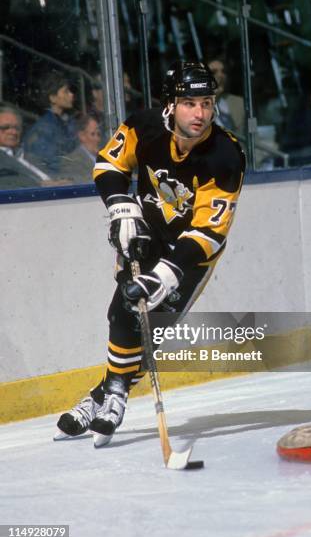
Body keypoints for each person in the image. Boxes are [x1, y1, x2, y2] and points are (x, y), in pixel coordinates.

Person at [54, 61, 245, 447]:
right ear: (171, 104)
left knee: (151, 330)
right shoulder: (144, 125)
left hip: (192, 252)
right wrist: (121, 205)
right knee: (123, 310)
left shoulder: (225, 154)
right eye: (190, 103)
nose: (201, 113)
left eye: (207, 103)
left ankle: (105, 398)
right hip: (146, 232)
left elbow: (210, 229)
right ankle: (113, 396)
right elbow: (109, 163)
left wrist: (170, 272)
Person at [24, 72, 78, 176]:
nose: (71, 95)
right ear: (52, 98)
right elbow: (47, 162)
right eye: (66, 91)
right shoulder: (44, 128)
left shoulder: (65, 122)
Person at [0, 105, 51, 188]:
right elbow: (5, 184)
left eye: (17, 128)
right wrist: (43, 185)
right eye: (5, 127)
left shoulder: (29, 155)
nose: (13, 132)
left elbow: (56, 172)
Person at [55, 114, 101, 184]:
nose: (97, 139)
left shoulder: (102, 156)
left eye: (98, 134)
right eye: (93, 134)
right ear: (82, 136)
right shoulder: (71, 161)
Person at [208, 58, 245, 136]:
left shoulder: (240, 103)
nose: (220, 75)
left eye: (223, 71)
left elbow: (253, 138)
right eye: (213, 72)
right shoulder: (194, 108)